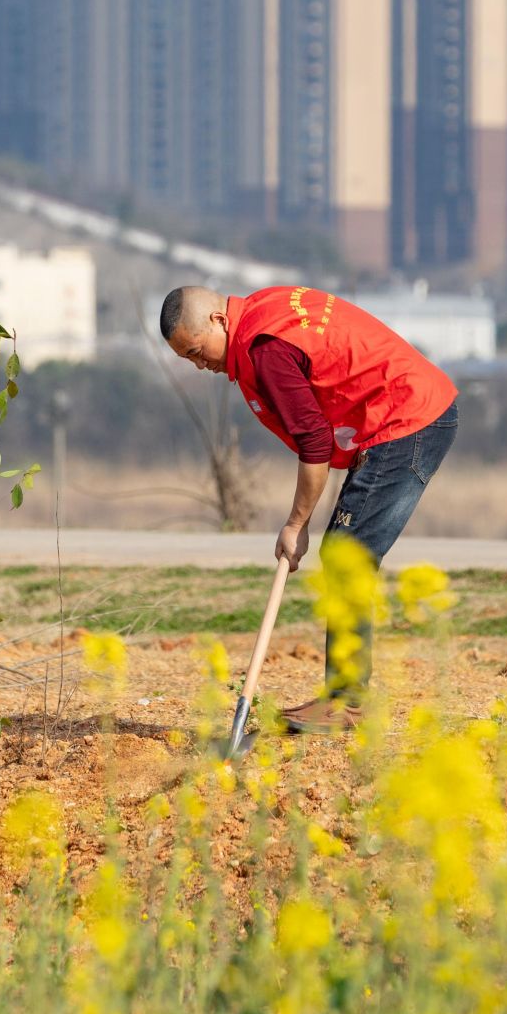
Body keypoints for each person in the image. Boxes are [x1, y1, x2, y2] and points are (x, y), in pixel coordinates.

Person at [160, 285, 459, 734]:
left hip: (408, 417)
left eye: (198, 351)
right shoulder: (263, 312)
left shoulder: (265, 350)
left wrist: (295, 524)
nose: (201, 365)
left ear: (219, 322)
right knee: (346, 551)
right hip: (406, 410)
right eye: (189, 359)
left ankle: (348, 703)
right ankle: (345, 698)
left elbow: (315, 444)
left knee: (347, 554)